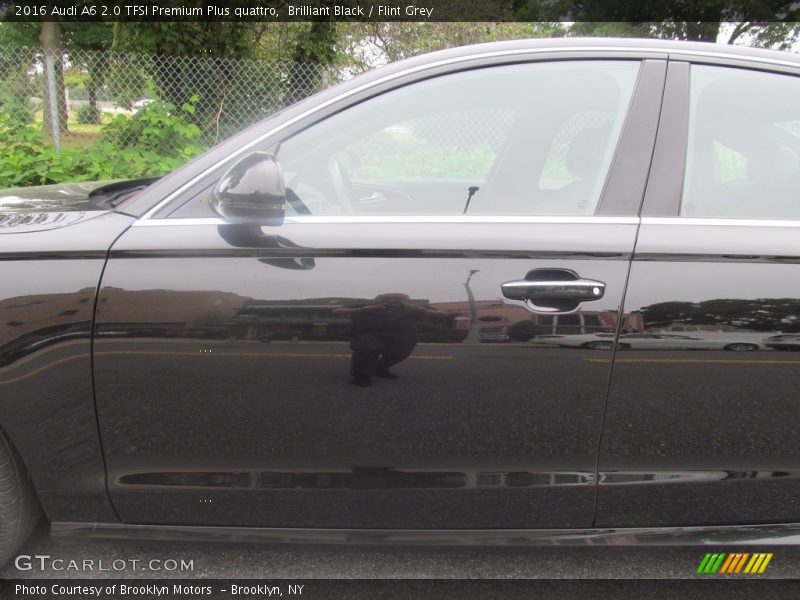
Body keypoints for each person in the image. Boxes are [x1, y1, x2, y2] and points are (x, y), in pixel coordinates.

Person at [334, 293, 442, 387]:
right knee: (369, 348)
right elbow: (336, 310)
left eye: (398, 299)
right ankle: (360, 376)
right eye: (386, 299)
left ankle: (380, 368)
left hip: (398, 336)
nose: (392, 300)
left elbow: (443, 314)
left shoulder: (412, 307)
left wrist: (421, 310)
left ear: (406, 300)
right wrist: (363, 309)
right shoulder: (365, 305)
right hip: (367, 333)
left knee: (400, 352)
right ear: (377, 299)